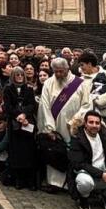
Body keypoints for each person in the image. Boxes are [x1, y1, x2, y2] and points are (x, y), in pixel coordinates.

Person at [37, 57, 86, 190]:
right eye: (56, 71)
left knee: (72, 152)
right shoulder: (48, 83)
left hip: (73, 127)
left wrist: (76, 121)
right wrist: (49, 128)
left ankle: (71, 182)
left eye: (61, 71)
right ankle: (55, 183)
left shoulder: (80, 83)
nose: (58, 74)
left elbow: (86, 104)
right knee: (54, 151)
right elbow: (44, 106)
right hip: (54, 126)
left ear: (67, 69)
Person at [2, 66, 38, 190]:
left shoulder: (28, 89)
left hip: (27, 122)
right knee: (16, 153)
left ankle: (30, 180)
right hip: (14, 124)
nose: (19, 77)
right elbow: (7, 106)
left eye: (21, 75)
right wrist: (18, 116)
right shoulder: (7, 89)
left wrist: (24, 115)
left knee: (29, 152)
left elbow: (31, 104)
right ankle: (19, 179)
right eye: (17, 75)